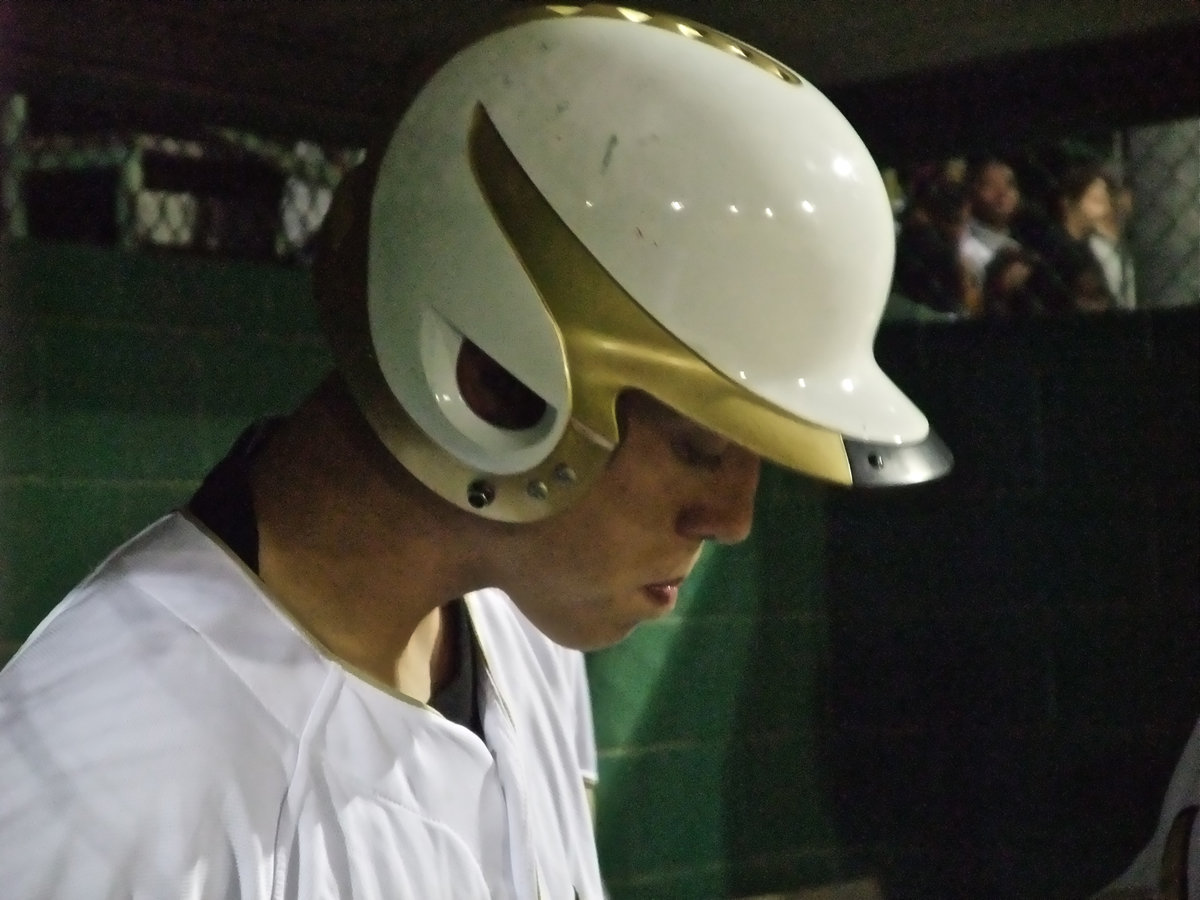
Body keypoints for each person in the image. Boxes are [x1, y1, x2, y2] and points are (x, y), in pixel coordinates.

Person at [0, 5, 952, 898]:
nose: (735, 519)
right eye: (704, 448)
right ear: (491, 378)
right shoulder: (107, 783)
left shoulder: (517, 625)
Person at [960, 154, 1024, 286]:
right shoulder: (963, 240)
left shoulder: (1015, 246)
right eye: (990, 185)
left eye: (1009, 184)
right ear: (972, 191)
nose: (1003, 193)